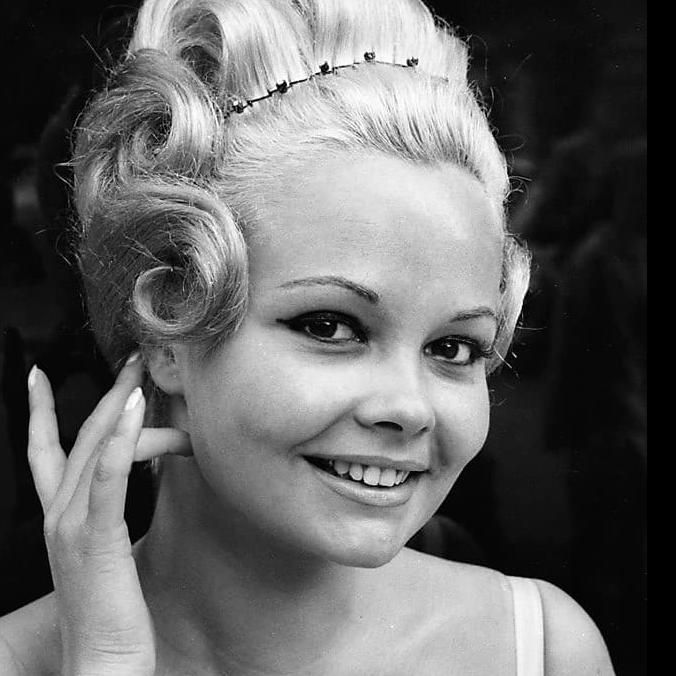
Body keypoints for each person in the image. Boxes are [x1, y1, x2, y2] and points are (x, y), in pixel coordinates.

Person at [0, 0, 614, 673]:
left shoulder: (545, 649)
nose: (410, 408)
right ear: (168, 327)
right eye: (331, 326)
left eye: (453, 348)